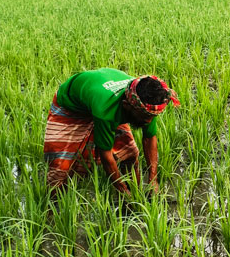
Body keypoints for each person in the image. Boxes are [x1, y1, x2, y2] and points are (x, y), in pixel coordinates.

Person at [43, 68, 179, 196]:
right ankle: (51, 206)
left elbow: (149, 138)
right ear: (127, 106)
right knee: (61, 166)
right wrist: (122, 191)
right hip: (71, 106)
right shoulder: (107, 110)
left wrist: (153, 179)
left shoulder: (148, 104)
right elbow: (106, 154)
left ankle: (135, 192)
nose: (149, 122)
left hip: (99, 98)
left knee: (129, 153)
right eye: (145, 117)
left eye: (151, 117)